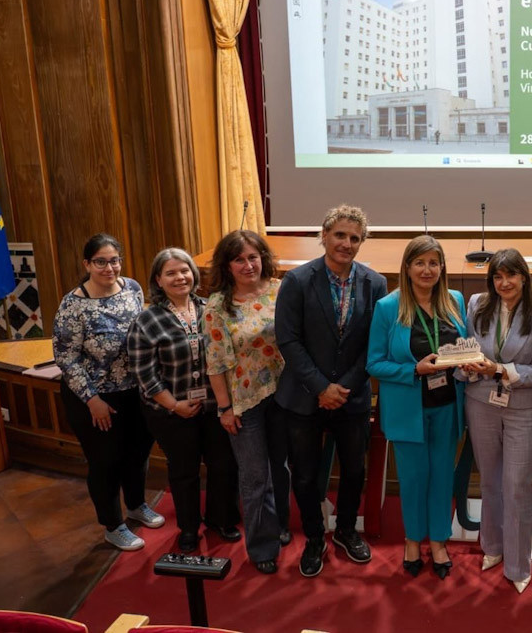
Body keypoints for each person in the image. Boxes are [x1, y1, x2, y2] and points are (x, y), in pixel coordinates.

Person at [275, 205, 388, 578]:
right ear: (323, 236)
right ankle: (313, 538)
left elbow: (374, 343)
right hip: (304, 397)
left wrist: (344, 387)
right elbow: (288, 341)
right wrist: (321, 387)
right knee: (305, 476)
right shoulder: (296, 281)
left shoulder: (375, 283)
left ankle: (343, 532)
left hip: (352, 396)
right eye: (340, 235)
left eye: (355, 238)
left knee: (354, 470)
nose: (347, 243)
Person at [127, 248, 241, 556]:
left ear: (194, 273)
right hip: (170, 411)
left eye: (185, 271)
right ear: (158, 280)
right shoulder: (147, 320)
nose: (180, 277)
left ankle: (221, 520)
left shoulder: (211, 309)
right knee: (184, 471)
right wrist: (174, 405)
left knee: (223, 465)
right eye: (171, 273)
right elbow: (144, 373)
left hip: (214, 406)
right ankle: (189, 528)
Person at [367, 235, 468, 580]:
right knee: (412, 478)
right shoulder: (387, 308)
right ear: (407, 267)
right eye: (420, 263)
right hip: (408, 408)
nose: (427, 270)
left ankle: (438, 541)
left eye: (434, 263)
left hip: (447, 405)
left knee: (441, 477)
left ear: (442, 268)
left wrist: (466, 364)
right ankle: (413, 540)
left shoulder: (455, 300)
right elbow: (374, 364)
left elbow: (463, 348)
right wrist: (414, 369)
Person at [53, 233, 162, 551]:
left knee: (138, 453)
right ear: (87, 263)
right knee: (106, 461)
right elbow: (66, 359)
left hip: (135, 391)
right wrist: (92, 400)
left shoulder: (132, 288)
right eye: (100, 261)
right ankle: (113, 525)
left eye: (114, 260)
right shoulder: (73, 305)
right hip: (95, 397)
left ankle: (137, 505)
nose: (109, 267)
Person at [460, 249, 532, 594]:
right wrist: (467, 366)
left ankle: (518, 564)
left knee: (516, 485)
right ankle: (492, 547)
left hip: (523, 406)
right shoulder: (476, 304)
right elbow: (467, 349)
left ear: (524, 277)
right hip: (480, 401)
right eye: (497, 277)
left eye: (511, 276)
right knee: (489, 480)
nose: (504, 283)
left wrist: (500, 370)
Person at [204, 231, 291, 573]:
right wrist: (225, 409)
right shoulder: (217, 306)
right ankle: (261, 546)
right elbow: (215, 363)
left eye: (253, 256)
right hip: (244, 402)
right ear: (227, 265)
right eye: (239, 259)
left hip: (284, 396)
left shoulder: (280, 290)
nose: (248, 264)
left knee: (281, 470)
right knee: (255, 477)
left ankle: (280, 525)